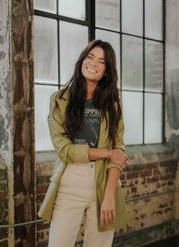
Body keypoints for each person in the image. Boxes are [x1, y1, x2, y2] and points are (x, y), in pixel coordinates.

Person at [38, 39, 129, 247]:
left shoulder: (114, 103)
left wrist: (109, 196)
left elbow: (119, 150)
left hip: (104, 180)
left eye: (102, 61)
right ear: (82, 61)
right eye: (90, 57)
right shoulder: (59, 100)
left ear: (106, 71)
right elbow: (65, 150)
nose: (93, 63)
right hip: (70, 179)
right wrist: (107, 153)